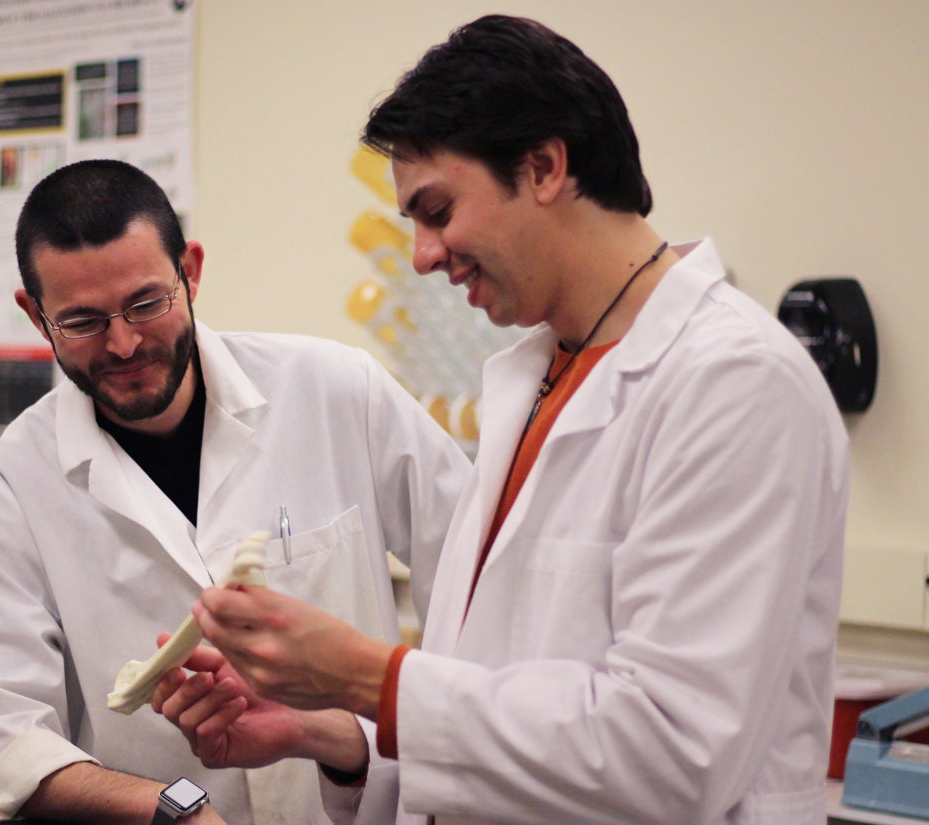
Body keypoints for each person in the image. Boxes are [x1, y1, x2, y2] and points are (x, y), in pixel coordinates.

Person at [156, 15, 849, 825]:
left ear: (544, 167)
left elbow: (671, 750)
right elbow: (499, 702)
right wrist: (325, 731)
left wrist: (366, 676)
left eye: (437, 209)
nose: (422, 254)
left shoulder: (735, 383)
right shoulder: (535, 379)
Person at [0, 159, 470, 825]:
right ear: (36, 317)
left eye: (146, 303)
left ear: (192, 271)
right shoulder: (10, 485)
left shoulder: (337, 390)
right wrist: (170, 808)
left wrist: (355, 735)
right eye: (83, 321)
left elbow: (483, 590)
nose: (124, 343)